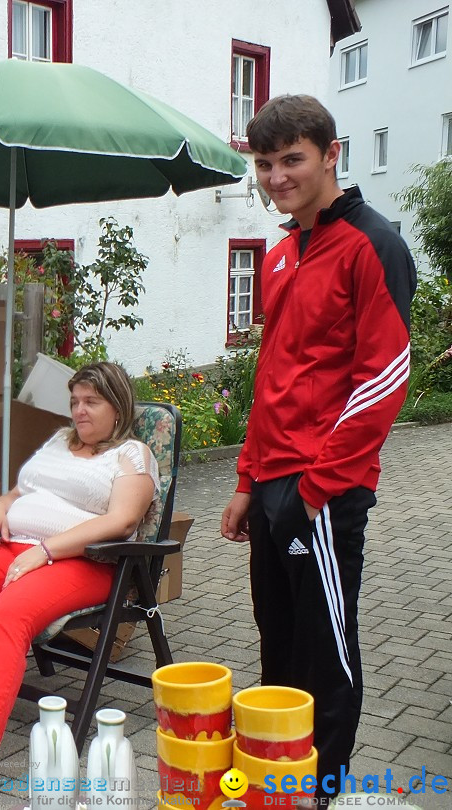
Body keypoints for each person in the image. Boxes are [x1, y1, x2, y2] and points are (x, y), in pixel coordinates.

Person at [220, 94, 416, 805]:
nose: (276, 175)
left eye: (292, 159)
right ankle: (279, 769)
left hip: (324, 488)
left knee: (325, 647)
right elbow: (271, 378)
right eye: (266, 163)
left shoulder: (372, 244)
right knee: (278, 635)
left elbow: (384, 380)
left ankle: (321, 785)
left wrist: (313, 490)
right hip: (272, 481)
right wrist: (245, 479)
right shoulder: (281, 253)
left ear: (332, 155)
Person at [0, 362, 158, 797]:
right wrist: (1, 506)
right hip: (17, 548)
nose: (79, 410)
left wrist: (47, 550)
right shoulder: (60, 441)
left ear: (117, 406)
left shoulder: (132, 454)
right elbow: (23, 491)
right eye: (75, 401)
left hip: (86, 562)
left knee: (10, 611)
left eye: (91, 402)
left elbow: (123, 519)